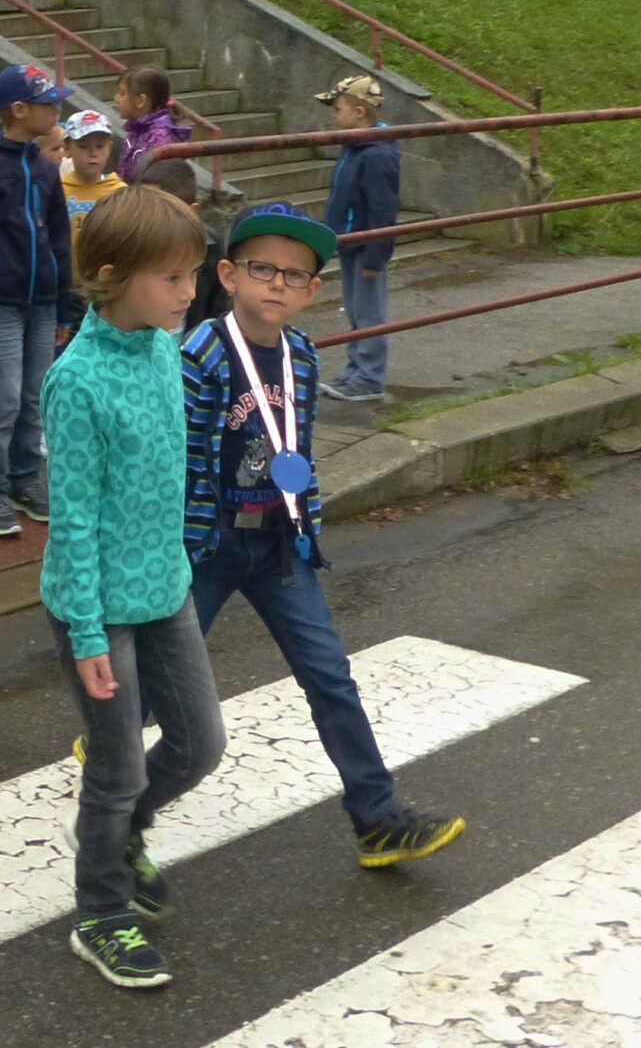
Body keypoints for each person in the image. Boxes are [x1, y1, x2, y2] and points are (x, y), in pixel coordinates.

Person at [179, 201, 464, 867]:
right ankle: (114, 756)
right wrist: (176, 543)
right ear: (228, 274)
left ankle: (378, 819)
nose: (277, 283)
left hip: (279, 545)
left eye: (294, 275)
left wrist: (306, 522)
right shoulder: (198, 354)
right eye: (262, 269)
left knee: (331, 675)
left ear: (312, 291)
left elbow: (296, 448)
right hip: (209, 545)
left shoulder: (302, 356)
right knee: (168, 674)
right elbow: (178, 457)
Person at [42, 186, 222, 989]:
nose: (189, 292)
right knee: (116, 768)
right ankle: (101, 913)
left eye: (193, 274)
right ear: (112, 276)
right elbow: (73, 520)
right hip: (98, 606)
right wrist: (85, 632)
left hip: (165, 587)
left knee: (200, 743)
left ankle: (121, 834)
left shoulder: (161, 348)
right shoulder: (77, 381)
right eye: (172, 278)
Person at [0, 63, 78, 538]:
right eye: (48, 104)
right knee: (3, 396)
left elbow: (60, 239)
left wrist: (64, 305)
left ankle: (25, 479)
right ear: (20, 110)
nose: (56, 110)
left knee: (34, 395)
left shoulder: (46, 170)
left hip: (43, 301)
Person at [316, 74, 400, 404]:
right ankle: (356, 369)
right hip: (350, 240)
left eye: (338, 109)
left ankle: (370, 377)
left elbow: (383, 209)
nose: (333, 116)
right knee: (354, 309)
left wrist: (377, 256)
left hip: (367, 245)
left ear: (359, 112)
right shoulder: (353, 147)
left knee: (369, 311)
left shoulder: (376, 155)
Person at [138, 158, 227, 334]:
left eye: (160, 210)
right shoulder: (132, 249)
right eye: (141, 207)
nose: (146, 218)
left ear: (192, 212)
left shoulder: (211, 250)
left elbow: (215, 314)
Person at [59, 110, 126, 236]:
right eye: (83, 146)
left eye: (100, 146)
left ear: (109, 148)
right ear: (67, 148)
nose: (93, 153)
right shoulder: (58, 190)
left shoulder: (120, 193)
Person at [115, 65, 191, 175]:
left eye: (122, 93)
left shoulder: (160, 138)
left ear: (141, 101)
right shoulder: (136, 130)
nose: (116, 99)